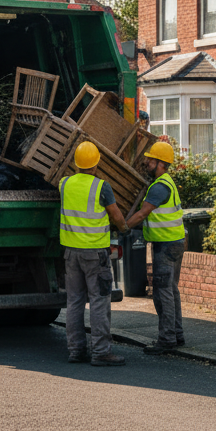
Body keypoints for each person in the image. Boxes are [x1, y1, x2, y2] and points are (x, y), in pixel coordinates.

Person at [60, 141, 129, 367]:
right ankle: (100, 352)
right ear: (97, 164)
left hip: (71, 254)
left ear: (76, 163)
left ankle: (75, 351)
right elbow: (117, 216)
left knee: (75, 302)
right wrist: (125, 228)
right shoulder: (102, 187)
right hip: (95, 254)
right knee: (99, 302)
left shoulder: (64, 183)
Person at [125, 141, 185, 355]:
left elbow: (142, 214)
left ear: (160, 163)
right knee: (172, 290)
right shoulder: (167, 182)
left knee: (162, 293)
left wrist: (122, 227)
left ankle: (167, 340)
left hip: (166, 246)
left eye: (151, 160)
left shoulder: (159, 187)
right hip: (175, 242)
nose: (147, 162)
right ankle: (177, 334)